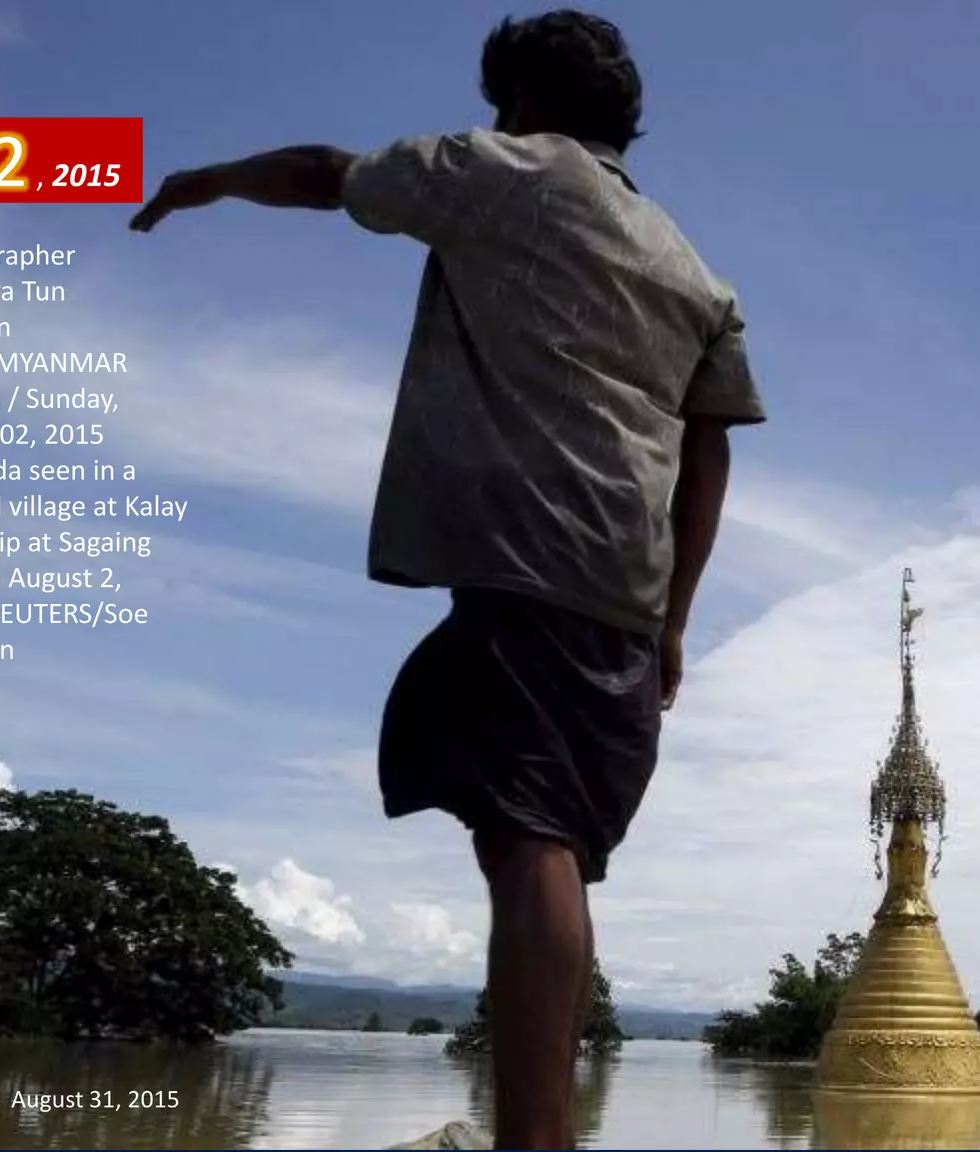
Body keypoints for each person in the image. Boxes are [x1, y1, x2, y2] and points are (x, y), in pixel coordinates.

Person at [130, 10, 764, 1148]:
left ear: (515, 102)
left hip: (526, 555)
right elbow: (709, 446)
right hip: (624, 589)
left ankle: (534, 1137)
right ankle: (545, 1121)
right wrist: (675, 623)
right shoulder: (693, 271)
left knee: (526, 842)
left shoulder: (500, 172)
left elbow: (330, 174)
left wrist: (207, 179)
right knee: (544, 840)